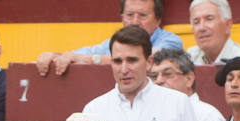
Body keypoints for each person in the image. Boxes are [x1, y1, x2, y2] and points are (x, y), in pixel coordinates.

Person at [81, 25, 198, 121]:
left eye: (132, 60)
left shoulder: (178, 103)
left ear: (148, 62)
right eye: (117, 61)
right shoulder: (94, 110)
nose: (124, 70)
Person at [37, 0, 182, 77]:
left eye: (142, 15)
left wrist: (92, 60)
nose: (135, 22)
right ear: (122, 18)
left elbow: (148, 59)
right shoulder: (114, 43)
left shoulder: (171, 41)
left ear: (158, 20)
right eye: (130, 15)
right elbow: (78, 54)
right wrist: (55, 56)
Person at [148, 48, 224, 121]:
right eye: (154, 76)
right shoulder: (149, 112)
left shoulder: (207, 116)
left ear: (189, 79)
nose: (159, 81)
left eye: (167, 74)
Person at [187, 0, 240, 64]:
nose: (201, 28)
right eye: (196, 22)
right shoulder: (189, 58)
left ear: (227, 25)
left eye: (209, 19)